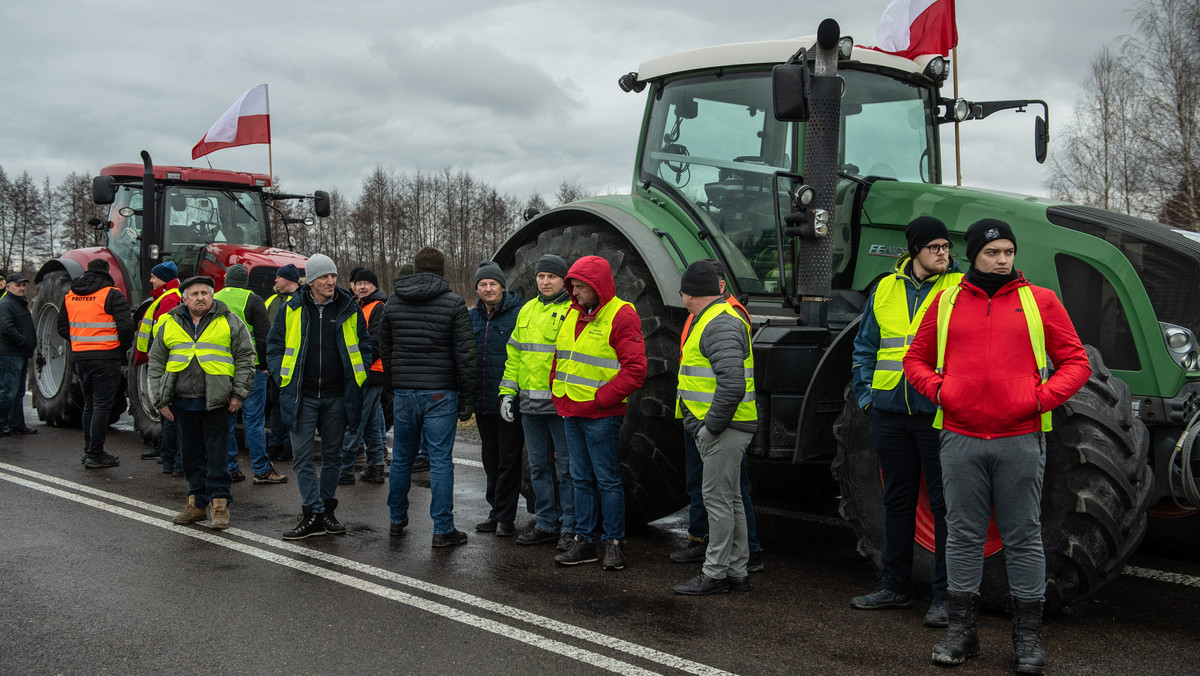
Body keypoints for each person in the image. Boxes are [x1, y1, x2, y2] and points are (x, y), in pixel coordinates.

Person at [904, 219, 1090, 672]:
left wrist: (1038, 399)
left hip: (1020, 439)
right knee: (964, 536)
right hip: (961, 439)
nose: (1003, 260)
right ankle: (962, 632)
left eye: (1008, 251)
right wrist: (945, 393)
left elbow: (1076, 361)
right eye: (992, 253)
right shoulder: (945, 302)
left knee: (1023, 536)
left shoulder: (1039, 301)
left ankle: (1027, 638)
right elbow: (915, 360)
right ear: (974, 255)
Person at [848, 216, 963, 627]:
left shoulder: (958, 289)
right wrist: (867, 399)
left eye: (946, 248)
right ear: (915, 249)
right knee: (897, 504)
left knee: (946, 506)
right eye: (935, 247)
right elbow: (865, 349)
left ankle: (945, 598)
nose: (943, 254)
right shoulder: (884, 289)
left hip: (937, 415)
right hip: (890, 414)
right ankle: (894, 587)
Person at [552, 255, 646, 571]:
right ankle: (584, 541)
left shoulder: (621, 314)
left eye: (580, 287)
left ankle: (614, 543)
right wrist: (556, 386)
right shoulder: (572, 313)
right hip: (571, 410)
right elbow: (561, 356)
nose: (574, 292)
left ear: (597, 286)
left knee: (606, 479)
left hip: (600, 414)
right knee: (580, 478)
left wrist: (599, 400)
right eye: (573, 286)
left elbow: (635, 370)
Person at [669, 260, 764, 572]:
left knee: (719, 501)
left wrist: (710, 428)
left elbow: (732, 383)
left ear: (687, 293)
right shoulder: (710, 317)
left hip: (722, 427)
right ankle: (737, 570)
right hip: (719, 423)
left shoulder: (719, 322)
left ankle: (715, 572)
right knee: (730, 498)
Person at [267, 254, 369, 540]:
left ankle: (326, 511)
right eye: (324, 277)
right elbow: (274, 346)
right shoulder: (291, 309)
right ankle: (312, 512)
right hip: (302, 395)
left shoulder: (349, 307)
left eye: (333, 276)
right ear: (310, 281)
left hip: (338, 396)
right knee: (302, 458)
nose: (331, 281)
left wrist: (359, 376)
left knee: (333, 456)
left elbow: (365, 344)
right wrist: (281, 374)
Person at [380, 247, 477, 547]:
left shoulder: (393, 302)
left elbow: (385, 347)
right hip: (440, 392)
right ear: (442, 270)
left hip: (405, 391)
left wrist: (394, 383)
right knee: (440, 461)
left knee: (401, 459)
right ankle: (442, 529)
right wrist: (468, 398)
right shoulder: (453, 303)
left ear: (417, 268)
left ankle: (396, 520)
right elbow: (465, 354)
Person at [148, 276, 255, 530]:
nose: (200, 298)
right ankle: (196, 504)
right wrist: (160, 399)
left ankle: (219, 506)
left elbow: (245, 357)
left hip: (218, 403)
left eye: (205, 293)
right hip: (182, 404)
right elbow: (155, 363)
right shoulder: (170, 323)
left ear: (212, 296)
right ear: (184, 299)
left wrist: (239, 394)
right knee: (191, 456)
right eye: (194, 294)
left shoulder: (229, 321)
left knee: (217, 457)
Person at [499, 254, 575, 550]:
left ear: (563, 281)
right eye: (541, 276)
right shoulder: (527, 309)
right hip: (530, 407)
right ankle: (546, 523)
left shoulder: (572, 311)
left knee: (568, 470)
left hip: (561, 408)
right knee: (539, 468)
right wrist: (507, 392)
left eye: (551, 277)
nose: (545, 282)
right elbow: (515, 356)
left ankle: (570, 527)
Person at [214, 264, 287, 485]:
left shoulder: (214, 298)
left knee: (225, 420)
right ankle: (262, 469)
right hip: (251, 367)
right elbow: (264, 336)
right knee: (253, 419)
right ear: (244, 281)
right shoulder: (253, 300)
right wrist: (265, 364)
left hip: (222, 368)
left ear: (227, 280)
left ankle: (230, 468)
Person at [57, 258, 134, 468]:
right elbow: (126, 327)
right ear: (107, 272)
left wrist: (81, 341)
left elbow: (62, 328)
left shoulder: (71, 296)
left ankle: (88, 450)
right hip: (105, 358)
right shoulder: (111, 294)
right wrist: (120, 350)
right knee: (101, 406)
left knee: (89, 404)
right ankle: (95, 454)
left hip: (81, 358)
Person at [469, 261, 525, 537]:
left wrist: (514, 395)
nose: (488, 289)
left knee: (508, 460)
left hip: (509, 401)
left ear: (503, 286)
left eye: (493, 283)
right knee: (490, 460)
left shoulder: (519, 315)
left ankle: (506, 518)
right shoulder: (472, 317)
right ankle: (494, 511)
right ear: (477, 289)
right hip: (483, 402)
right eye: (483, 284)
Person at [340, 266, 389, 484]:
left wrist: (360, 365)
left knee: (355, 420)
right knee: (370, 421)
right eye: (359, 283)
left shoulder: (378, 307)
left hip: (369, 372)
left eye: (366, 283)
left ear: (374, 286)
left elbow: (377, 342)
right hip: (369, 372)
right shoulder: (361, 306)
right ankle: (376, 466)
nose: (362, 286)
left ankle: (345, 468)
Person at [134, 261, 182, 469]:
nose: (150, 280)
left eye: (154, 276)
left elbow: (165, 334)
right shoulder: (163, 297)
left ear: (164, 278)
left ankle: (170, 455)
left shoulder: (170, 299)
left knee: (167, 407)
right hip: (158, 358)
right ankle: (166, 449)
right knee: (165, 406)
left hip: (163, 361)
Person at [395, 262, 431, 473]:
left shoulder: (399, 304)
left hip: (416, 377)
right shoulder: (397, 303)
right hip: (416, 377)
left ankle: (422, 454)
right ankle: (419, 454)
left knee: (422, 424)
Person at [265, 263, 300, 461]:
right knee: (276, 405)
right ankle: (275, 443)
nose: (276, 280)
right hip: (275, 362)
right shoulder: (270, 300)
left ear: (290, 279)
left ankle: (289, 445)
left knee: (291, 406)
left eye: (279, 277)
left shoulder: (300, 301)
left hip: (294, 364)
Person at [0, 273, 37, 437]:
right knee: (8, 391)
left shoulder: (20, 303)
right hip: (11, 353)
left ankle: (17, 424)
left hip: (21, 353)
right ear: (8, 287)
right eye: (17, 285)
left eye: (23, 285)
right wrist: (24, 341)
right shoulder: (5, 304)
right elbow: (6, 328)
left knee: (19, 392)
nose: (22, 288)